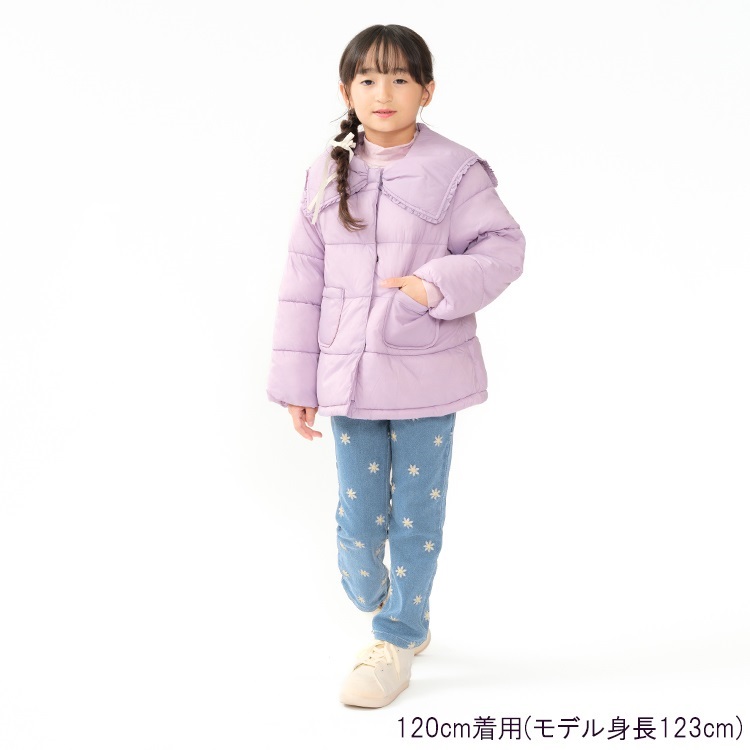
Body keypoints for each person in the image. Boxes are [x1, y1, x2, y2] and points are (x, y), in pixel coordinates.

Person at [266, 24, 526, 708]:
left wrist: (428, 288)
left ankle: (399, 635)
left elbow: (503, 247)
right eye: (369, 78)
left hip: (425, 372)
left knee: (415, 518)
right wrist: (297, 383)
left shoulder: (457, 170)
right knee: (359, 527)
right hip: (347, 379)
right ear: (346, 91)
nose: (384, 92)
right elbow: (302, 281)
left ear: (427, 90)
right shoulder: (324, 172)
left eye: (401, 78)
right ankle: (379, 598)